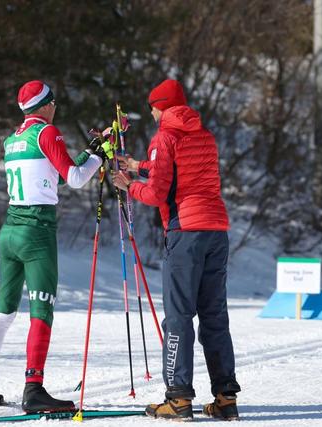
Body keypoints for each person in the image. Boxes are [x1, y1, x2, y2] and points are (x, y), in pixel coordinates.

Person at [0, 80, 106, 413]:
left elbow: (52, 174)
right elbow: (73, 179)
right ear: (45, 105)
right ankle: (34, 389)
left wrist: (89, 153)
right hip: (36, 232)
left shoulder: (13, 139)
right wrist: (99, 159)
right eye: (54, 102)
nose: (55, 107)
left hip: (10, 231)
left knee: (4, 312)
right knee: (41, 311)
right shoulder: (47, 132)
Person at [112, 79, 241, 421]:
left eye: (153, 107)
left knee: (179, 317)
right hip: (216, 231)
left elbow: (156, 193)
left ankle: (179, 398)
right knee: (214, 315)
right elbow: (179, 171)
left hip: (185, 233)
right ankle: (225, 397)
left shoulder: (164, 137)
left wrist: (130, 186)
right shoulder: (204, 135)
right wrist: (138, 165)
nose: (152, 113)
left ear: (163, 106)